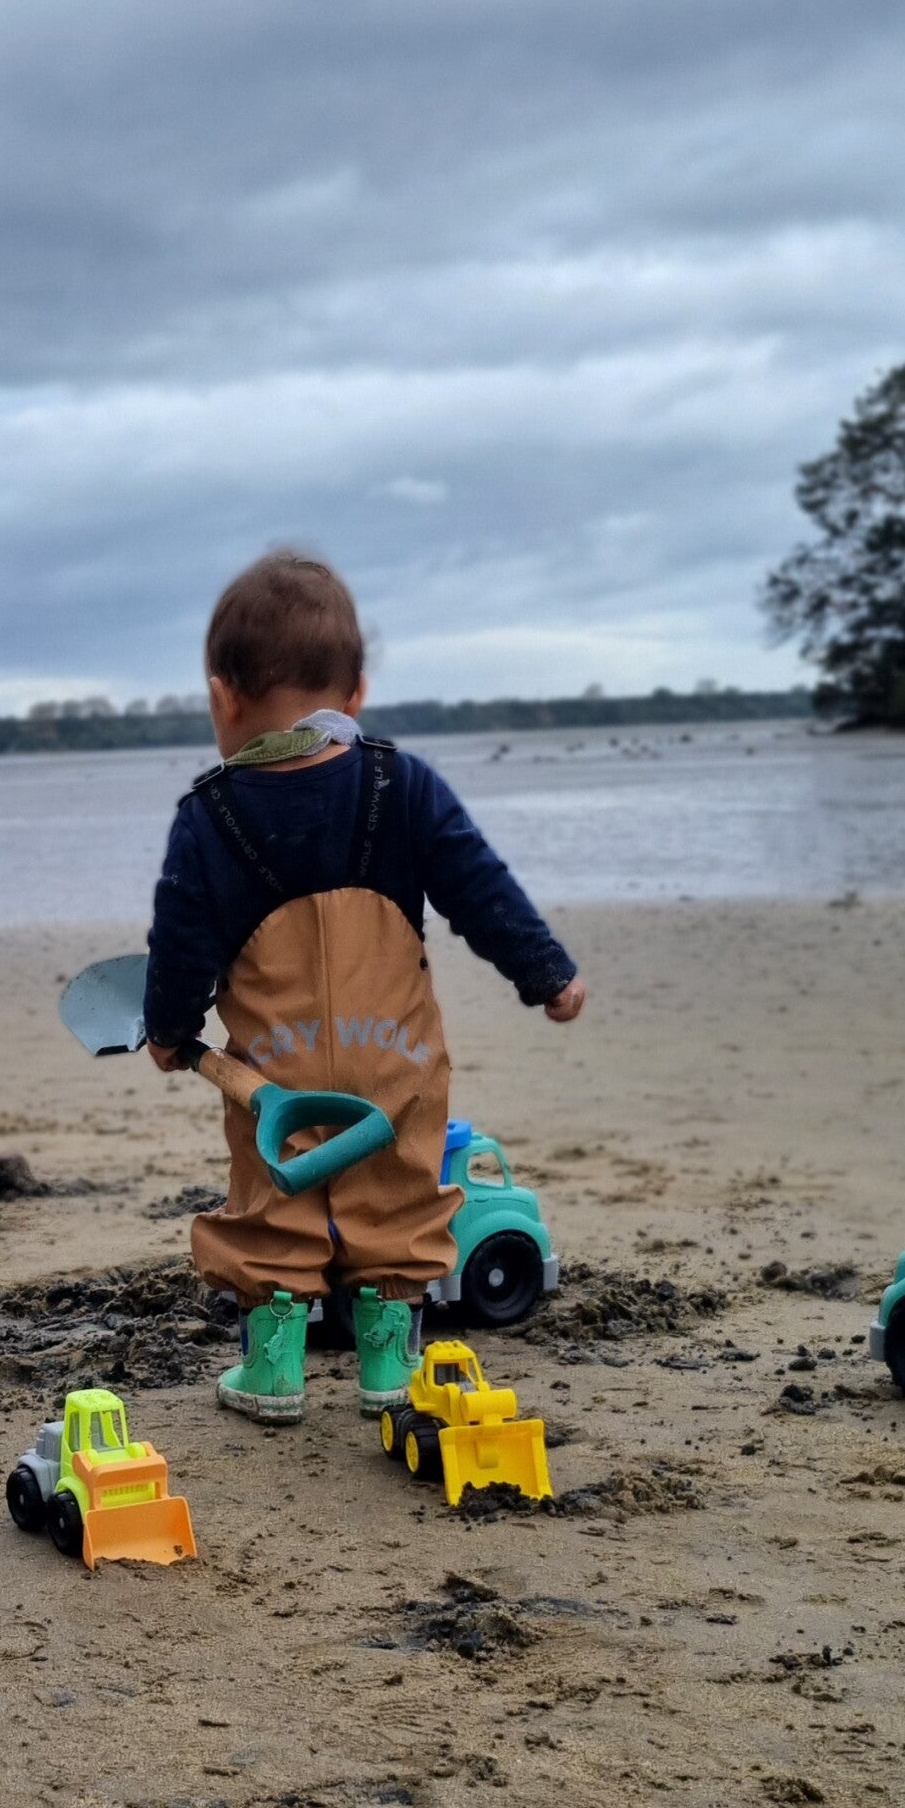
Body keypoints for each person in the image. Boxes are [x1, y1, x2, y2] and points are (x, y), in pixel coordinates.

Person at [143, 548, 586, 1423]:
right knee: (400, 1196)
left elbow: (181, 941)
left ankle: (274, 1372)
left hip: (276, 1068)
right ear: (355, 694)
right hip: (396, 1061)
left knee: (273, 1203)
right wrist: (546, 973)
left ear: (223, 698)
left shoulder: (209, 818)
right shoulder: (403, 785)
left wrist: (167, 1027)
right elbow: (480, 888)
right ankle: (389, 1365)